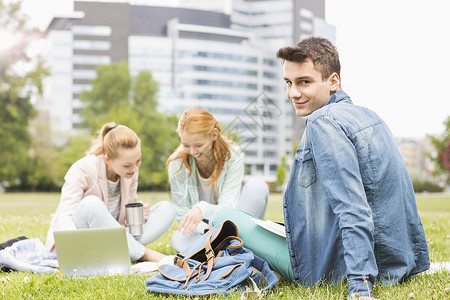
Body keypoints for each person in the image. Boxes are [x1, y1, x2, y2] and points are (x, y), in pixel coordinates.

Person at [212, 37, 430, 299]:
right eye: (289, 83)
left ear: (333, 81)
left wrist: (360, 286)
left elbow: (353, 208)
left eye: (305, 82)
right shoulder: (371, 116)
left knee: (222, 217)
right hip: (398, 263)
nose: (294, 93)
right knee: (264, 226)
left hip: (341, 269)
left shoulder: (322, 122)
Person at [46, 122, 175, 262]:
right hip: (82, 237)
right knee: (91, 204)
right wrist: (74, 249)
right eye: (127, 165)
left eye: (138, 161)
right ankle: (144, 254)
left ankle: (121, 249)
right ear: (107, 159)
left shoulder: (130, 173)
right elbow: (65, 214)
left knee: (167, 209)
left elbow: (122, 221)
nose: (134, 168)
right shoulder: (83, 168)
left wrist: (138, 214)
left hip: (112, 237)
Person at [167, 108, 269, 252]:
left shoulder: (233, 155)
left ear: (214, 134)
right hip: (203, 232)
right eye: (186, 145)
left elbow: (229, 207)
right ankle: (231, 248)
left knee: (258, 187)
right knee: (178, 238)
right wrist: (208, 230)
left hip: (233, 223)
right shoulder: (177, 163)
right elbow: (183, 215)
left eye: (198, 145)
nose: (192, 151)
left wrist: (202, 208)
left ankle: (227, 246)